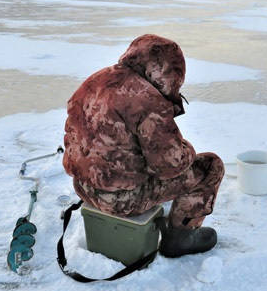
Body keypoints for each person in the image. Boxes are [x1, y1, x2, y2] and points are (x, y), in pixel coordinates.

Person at [62, 34, 224, 257]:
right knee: (210, 166)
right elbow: (170, 166)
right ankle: (181, 237)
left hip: (83, 187)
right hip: (121, 201)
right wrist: (187, 149)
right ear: (168, 72)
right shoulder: (147, 100)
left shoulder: (96, 80)